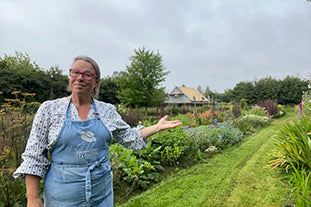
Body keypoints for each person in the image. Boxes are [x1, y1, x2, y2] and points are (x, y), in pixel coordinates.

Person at [13, 55, 182, 207]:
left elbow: (127, 136)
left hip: (101, 194)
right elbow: (34, 156)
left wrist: (156, 127)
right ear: (70, 76)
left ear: (96, 82)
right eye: (75, 73)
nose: (80, 78)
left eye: (87, 75)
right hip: (63, 196)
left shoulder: (106, 110)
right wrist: (33, 198)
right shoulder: (49, 109)